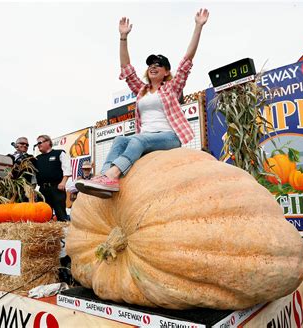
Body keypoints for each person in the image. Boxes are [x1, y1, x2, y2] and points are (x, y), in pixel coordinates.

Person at [76, 9, 209, 198]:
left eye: (158, 64)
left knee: (137, 139)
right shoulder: (141, 91)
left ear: (166, 72)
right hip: (146, 138)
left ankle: (112, 175)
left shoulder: (172, 87)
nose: (153, 67)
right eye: (150, 64)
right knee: (120, 140)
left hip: (169, 137)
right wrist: (123, 37)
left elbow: (187, 61)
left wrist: (198, 26)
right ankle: (103, 180)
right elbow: (126, 69)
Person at [35, 135, 71, 221]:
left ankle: (63, 233)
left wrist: (63, 182)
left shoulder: (59, 153)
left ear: (48, 142)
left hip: (57, 188)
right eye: (37, 143)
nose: (38, 145)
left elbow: (67, 169)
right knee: (44, 216)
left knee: (61, 214)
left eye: (40, 142)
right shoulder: (37, 158)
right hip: (43, 190)